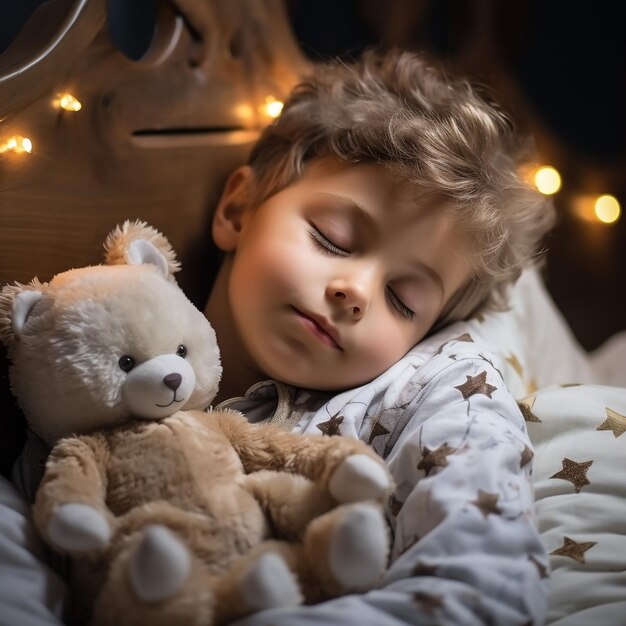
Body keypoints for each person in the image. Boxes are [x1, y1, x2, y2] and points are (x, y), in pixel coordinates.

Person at [203, 48, 555, 625]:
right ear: (240, 207)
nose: (357, 291)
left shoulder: (438, 389)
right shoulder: (112, 340)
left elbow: (488, 592)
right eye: (334, 239)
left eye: (403, 300)